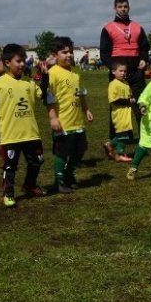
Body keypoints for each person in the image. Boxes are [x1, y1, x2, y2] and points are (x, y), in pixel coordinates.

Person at [0, 44, 46, 207]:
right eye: (18, 61)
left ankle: (30, 185)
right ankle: (8, 193)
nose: (22, 64)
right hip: (10, 134)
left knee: (37, 161)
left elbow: (44, 95)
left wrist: (44, 76)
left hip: (31, 132)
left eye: (23, 61)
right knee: (10, 166)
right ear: (7, 63)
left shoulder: (29, 84)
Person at [43, 36, 94, 193]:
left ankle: (68, 174)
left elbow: (81, 93)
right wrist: (53, 118)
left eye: (70, 52)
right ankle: (60, 182)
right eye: (64, 52)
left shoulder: (75, 74)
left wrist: (86, 110)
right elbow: (47, 97)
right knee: (62, 153)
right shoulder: (52, 73)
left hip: (77, 121)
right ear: (55, 55)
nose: (69, 55)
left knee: (79, 151)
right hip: (63, 122)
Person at [99, 0, 150, 107]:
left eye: (125, 6)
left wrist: (144, 59)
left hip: (136, 73)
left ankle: (143, 124)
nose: (123, 9)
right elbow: (104, 52)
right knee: (118, 108)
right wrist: (115, 68)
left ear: (129, 8)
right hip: (117, 75)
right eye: (120, 6)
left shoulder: (137, 27)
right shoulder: (108, 28)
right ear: (115, 9)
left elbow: (144, 47)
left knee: (142, 106)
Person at [103, 62, 136, 163]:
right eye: (120, 71)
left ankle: (109, 144)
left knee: (124, 134)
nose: (123, 73)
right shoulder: (113, 84)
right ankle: (119, 154)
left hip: (126, 114)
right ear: (113, 72)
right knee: (123, 136)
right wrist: (128, 101)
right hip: (119, 114)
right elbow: (113, 100)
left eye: (125, 71)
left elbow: (129, 95)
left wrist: (132, 98)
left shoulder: (126, 83)